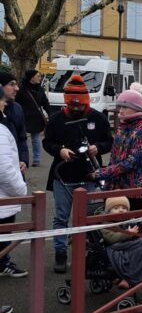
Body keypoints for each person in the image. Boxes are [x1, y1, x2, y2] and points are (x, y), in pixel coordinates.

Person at [43, 73, 114, 273]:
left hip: (90, 176)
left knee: (91, 216)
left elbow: (109, 141)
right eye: (72, 106)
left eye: (79, 106)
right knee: (61, 217)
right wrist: (60, 151)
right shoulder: (56, 119)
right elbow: (47, 142)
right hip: (62, 176)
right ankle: (60, 253)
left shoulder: (98, 118)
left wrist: (97, 148)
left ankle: (91, 253)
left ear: (86, 102)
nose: (76, 108)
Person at [99, 88, 142, 211]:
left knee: (130, 225)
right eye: (120, 107)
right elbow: (115, 156)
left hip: (135, 188)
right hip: (117, 185)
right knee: (114, 224)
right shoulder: (123, 126)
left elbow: (132, 161)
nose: (121, 110)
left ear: (136, 108)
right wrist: (108, 179)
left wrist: (102, 173)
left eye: (125, 107)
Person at [0, 84, 29, 283]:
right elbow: (3, 170)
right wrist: (21, 189)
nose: (4, 105)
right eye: (2, 101)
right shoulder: (0, 131)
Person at [17, 69, 50, 167]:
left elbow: (45, 102)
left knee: (36, 138)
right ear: (32, 78)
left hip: (36, 117)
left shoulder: (40, 89)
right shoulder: (21, 89)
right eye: (38, 76)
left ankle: (36, 159)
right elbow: (17, 103)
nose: (40, 78)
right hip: (23, 117)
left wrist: (50, 114)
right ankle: (21, 159)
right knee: (21, 138)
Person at [0, 72, 29, 174]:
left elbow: (22, 138)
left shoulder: (17, 108)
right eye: (11, 84)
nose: (17, 88)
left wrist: (24, 160)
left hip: (16, 167)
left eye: (16, 84)